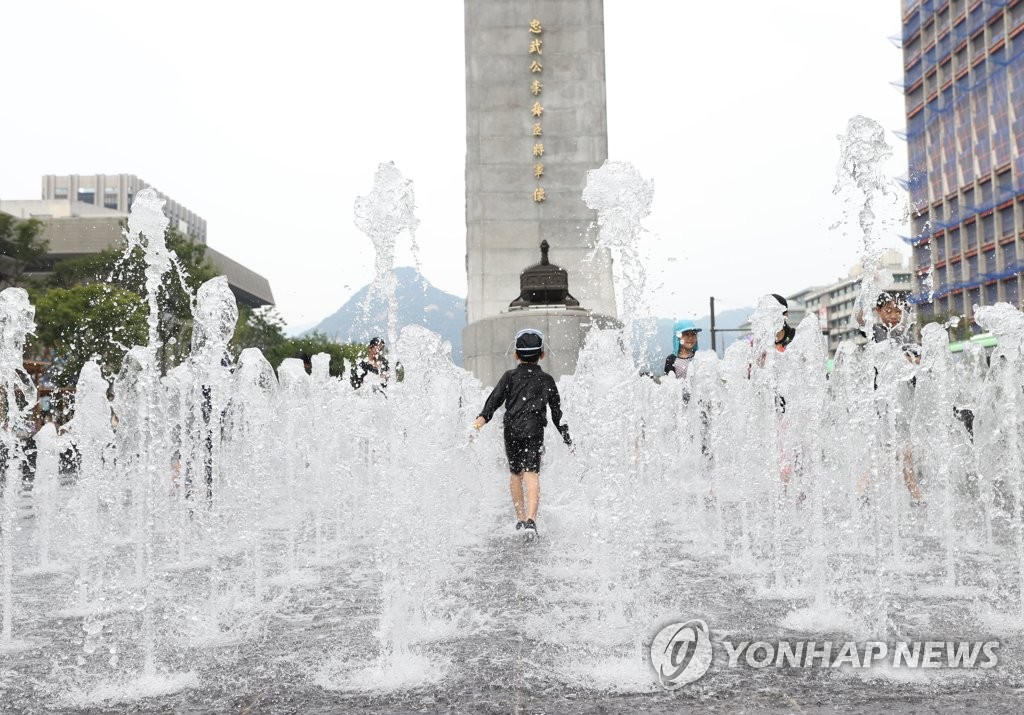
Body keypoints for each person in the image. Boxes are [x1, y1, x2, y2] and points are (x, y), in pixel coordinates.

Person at [471, 328, 572, 542]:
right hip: (534, 431)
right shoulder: (547, 380)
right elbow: (557, 415)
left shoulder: (509, 376)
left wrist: (480, 420)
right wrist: (568, 439)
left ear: (516, 355)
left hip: (512, 430)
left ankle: (519, 518)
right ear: (542, 354)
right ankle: (531, 521)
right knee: (532, 473)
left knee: (516, 473)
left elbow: (494, 400)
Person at [866, 291, 923, 502]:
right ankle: (864, 489)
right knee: (890, 448)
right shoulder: (875, 330)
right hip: (884, 399)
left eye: (898, 311)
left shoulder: (906, 333)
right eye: (888, 311)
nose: (894, 316)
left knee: (902, 449)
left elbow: (917, 358)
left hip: (904, 397)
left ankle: (912, 492)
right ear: (879, 311)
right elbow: (859, 318)